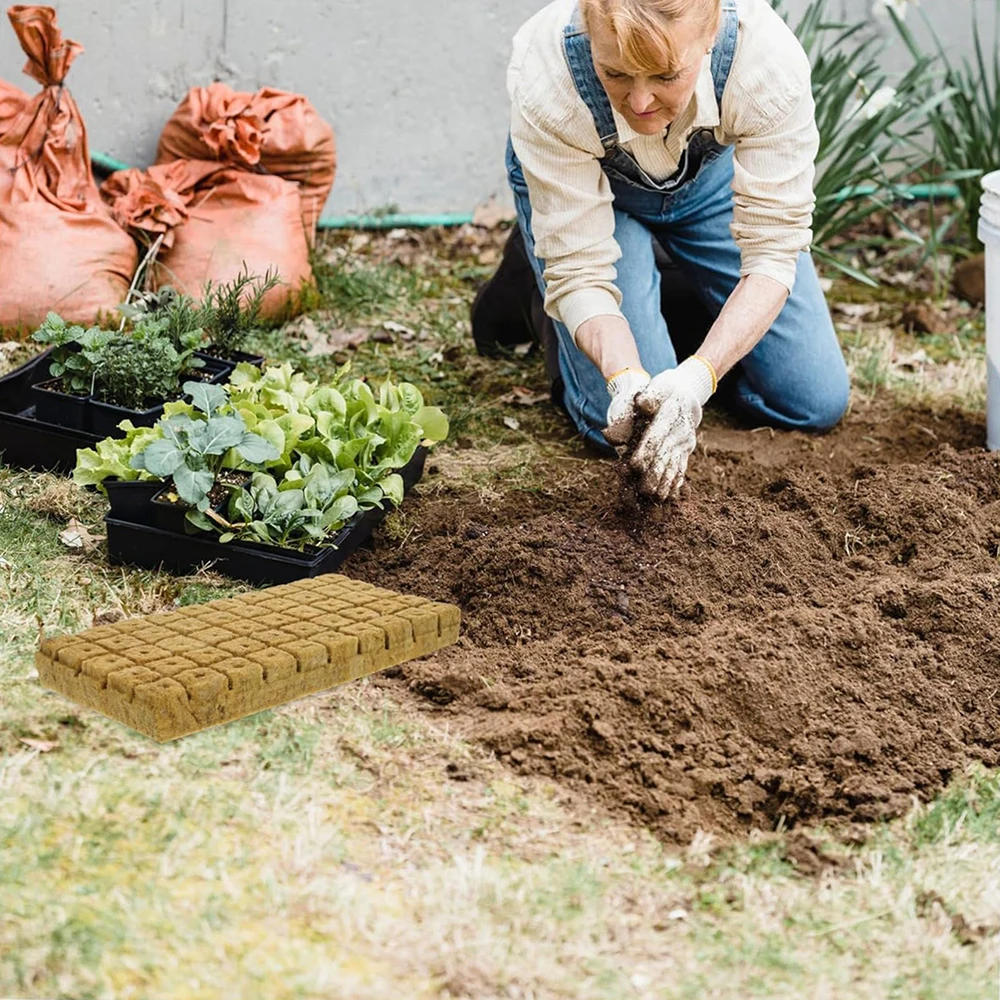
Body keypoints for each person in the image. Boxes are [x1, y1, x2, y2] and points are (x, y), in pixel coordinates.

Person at [499, 0, 851, 500]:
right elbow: (580, 275)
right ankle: (546, 284)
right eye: (615, 72)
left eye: (666, 75)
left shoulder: (764, 62)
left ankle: (659, 286)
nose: (639, 101)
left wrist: (698, 376)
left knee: (815, 401)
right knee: (624, 422)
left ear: (708, 36)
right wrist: (623, 377)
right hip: (593, 186)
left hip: (706, 186)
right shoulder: (549, 82)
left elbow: (773, 255)